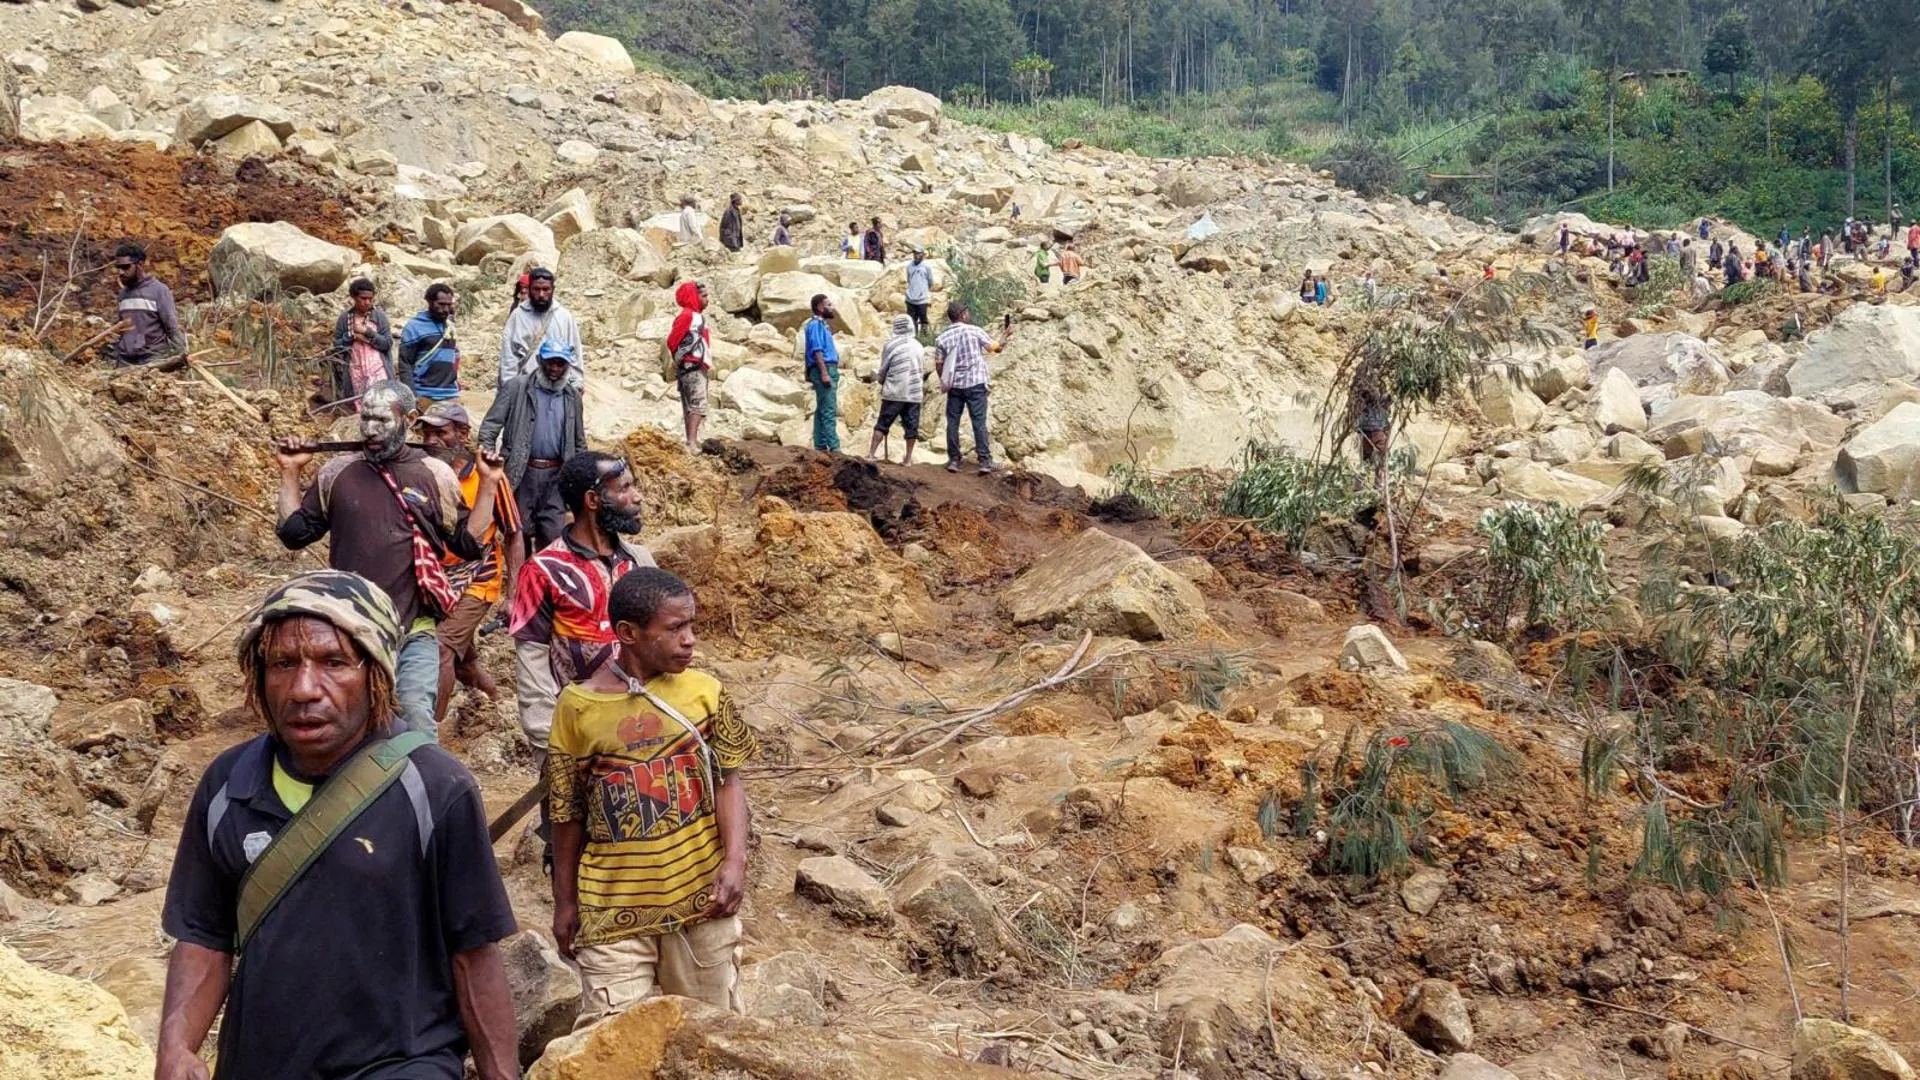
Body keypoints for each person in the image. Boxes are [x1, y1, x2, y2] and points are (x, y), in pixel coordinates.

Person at [156, 571, 518, 1080]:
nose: (304, 689)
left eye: (333, 663)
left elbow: (474, 955)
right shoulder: (226, 786)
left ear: (376, 674)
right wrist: (176, 1048)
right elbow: (205, 936)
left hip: (401, 1064)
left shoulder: (436, 788)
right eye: (282, 664)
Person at [548, 567, 757, 1021]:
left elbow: (728, 782)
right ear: (628, 633)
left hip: (701, 903)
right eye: (675, 628)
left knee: (711, 1039)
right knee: (610, 1044)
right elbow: (566, 813)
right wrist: (565, 902)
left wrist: (735, 862)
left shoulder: (705, 693)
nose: (690, 640)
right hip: (611, 911)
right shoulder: (577, 708)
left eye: (691, 626)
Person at [276, 381, 501, 737]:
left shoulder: (434, 474)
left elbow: (467, 543)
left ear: (409, 420)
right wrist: (290, 472)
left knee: (415, 722)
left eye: (382, 420)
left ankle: (422, 791)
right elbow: (293, 533)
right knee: (353, 729)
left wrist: (488, 485)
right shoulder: (337, 473)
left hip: (414, 630)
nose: (370, 430)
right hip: (352, 633)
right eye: (365, 419)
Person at [508, 451, 655, 771]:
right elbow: (532, 661)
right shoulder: (542, 571)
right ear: (593, 499)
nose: (638, 497)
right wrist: (550, 745)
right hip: (577, 734)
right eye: (625, 488)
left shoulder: (640, 561)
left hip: (644, 728)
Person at [418, 402, 521, 728]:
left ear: (462, 435)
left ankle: (427, 734)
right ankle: (498, 703)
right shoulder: (422, 471)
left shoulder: (486, 476)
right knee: (463, 661)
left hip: (479, 576)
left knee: (441, 647)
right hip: (436, 578)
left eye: (441, 432)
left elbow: (514, 534)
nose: (432, 440)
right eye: (427, 432)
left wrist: (513, 593)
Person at [479, 340, 586, 555]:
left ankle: (545, 581)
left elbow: (579, 441)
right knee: (519, 531)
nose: (555, 369)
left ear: (568, 366)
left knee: (553, 532)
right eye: (550, 363)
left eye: (560, 364)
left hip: (557, 475)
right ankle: (522, 582)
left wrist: (581, 475)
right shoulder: (516, 387)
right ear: (539, 361)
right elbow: (490, 426)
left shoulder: (572, 396)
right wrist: (486, 455)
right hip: (522, 471)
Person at [933, 302, 1007, 475]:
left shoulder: (941, 338)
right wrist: (1005, 335)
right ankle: (985, 461)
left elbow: (938, 365)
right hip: (976, 383)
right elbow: (996, 348)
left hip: (955, 386)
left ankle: (953, 460)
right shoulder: (974, 331)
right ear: (963, 314)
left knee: (953, 422)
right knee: (978, 422)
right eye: (968, 312)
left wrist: (946, 381)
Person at [498, 267, 583, 389]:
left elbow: (574, 353)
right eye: (536, 289)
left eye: (546, 289)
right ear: (530, 289)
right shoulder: (518, 316)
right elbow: (509, 356)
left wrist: (577, 383)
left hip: (558, 389)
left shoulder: (564, 317)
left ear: (553, 289)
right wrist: (509, 387)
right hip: (525, 387)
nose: (541, 294)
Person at [111, 241, 186, 366]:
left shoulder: (159, 291)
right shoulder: (123, 294)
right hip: (126, 361)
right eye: (118, 267)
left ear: (140, 264)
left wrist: (182, 356)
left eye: (126, 267)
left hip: (152, 360)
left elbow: (171, 327)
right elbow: (123, 331)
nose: (120, 272)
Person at [868, 315, 924, 465]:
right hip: (914, 391)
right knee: (911, 426)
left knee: (883, 423)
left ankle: (871, 453)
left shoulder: (890, 345)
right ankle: (908, 458)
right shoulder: (918, 346)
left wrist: (880, 379)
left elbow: (884, 367)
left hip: (895, 390)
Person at [331, 278, 393, 409]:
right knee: (360, 406)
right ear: (354, 297)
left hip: (378, 369)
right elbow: (337, 346)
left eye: (370, 299)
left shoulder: (379, 317)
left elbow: (387, 343)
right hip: (355, 369)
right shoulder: (345, 318)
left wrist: (369, 333)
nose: (367, 302)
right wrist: (351, 336)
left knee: (381, 404)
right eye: (363, 298)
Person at [398, 284, 464, 404]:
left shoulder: (450, 327)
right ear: (429, 302)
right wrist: (411, 395)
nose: (445, 309)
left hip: (450, 393)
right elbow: (405, 364)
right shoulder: (414, 327)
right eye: (441, 304)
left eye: (448, 305)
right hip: (423, 394)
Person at [667, 280, 712, 449]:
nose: (707, 299)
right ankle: (691, 442)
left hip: (692, 366)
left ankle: (690, 440)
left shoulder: (695, 316)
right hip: (692, 366)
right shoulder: (688, 316)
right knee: (698, 404)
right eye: (704, 296)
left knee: (691, 405)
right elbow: (672, 340)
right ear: (694, 296)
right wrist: (685, 358)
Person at [802, 294, 841, 452]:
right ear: (820, 307)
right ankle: (834, 446)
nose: (832, 307)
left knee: (822, 408)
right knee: (829, 409)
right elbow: (817, 350)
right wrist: (824, 372)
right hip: (824, 368)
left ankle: (820, 444)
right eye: (829, 304)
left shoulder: (822, 325)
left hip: (824, 368)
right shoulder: (816, 325)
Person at [904, 247, 934, 335]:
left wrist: (923, 290)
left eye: (918, 253)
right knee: (911, 320)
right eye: (915, 254)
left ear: (922, 255)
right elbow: (909, 280)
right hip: (911, 298)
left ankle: (924, 337)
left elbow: (930, 281)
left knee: (923, 319)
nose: (916, 256)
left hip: (922, 299)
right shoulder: (909, 266)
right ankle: (913, 336)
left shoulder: (927, 267)